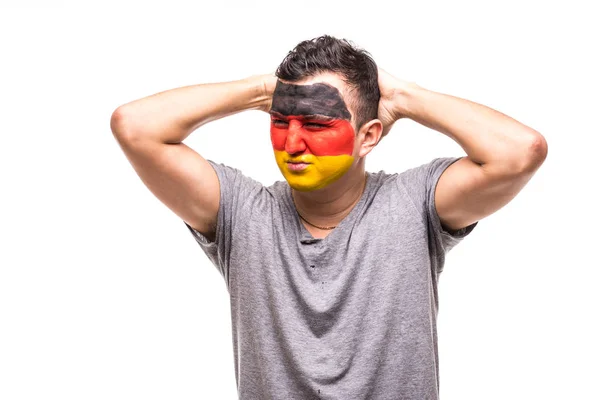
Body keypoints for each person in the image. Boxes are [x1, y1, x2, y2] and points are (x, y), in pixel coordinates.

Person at [110, 35, 547, 399]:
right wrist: (263, 90)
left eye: (317, 123)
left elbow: (519, 152)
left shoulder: (415, 203)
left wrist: (402, 97)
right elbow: (134, 126)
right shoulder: (242, 214)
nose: (293, 142)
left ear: (368, 137)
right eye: (281, 121)